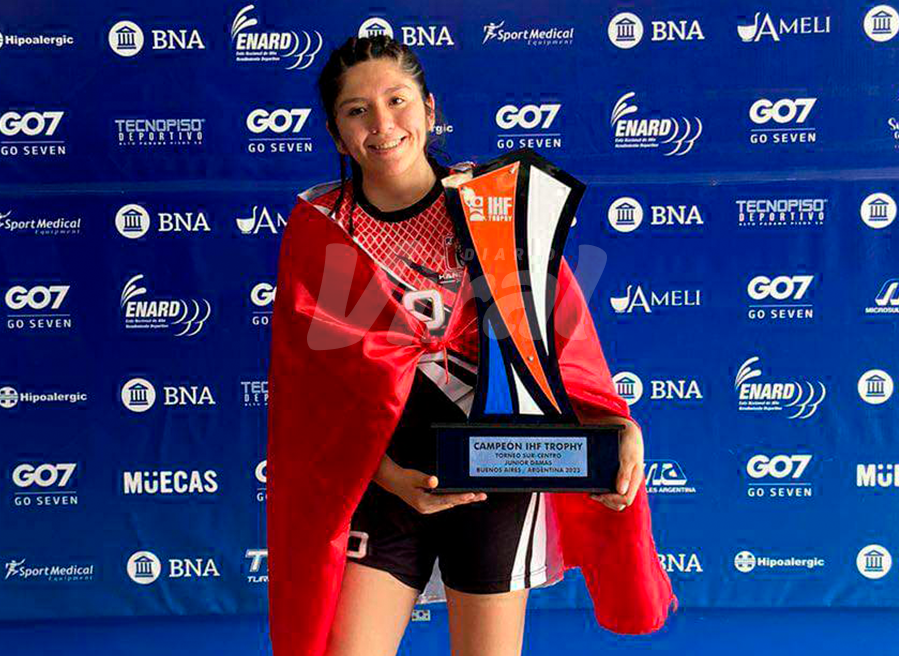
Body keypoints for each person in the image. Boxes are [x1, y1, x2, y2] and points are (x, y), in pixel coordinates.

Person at [266, 35, 674, 656]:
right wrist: (389, 477)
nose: (382, 124)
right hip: (382, 482)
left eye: (397, 100)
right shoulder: (321, 228)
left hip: (501, 476)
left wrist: (617, 428)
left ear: (429, 109)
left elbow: (564, 348)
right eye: (357, 110)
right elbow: (310, 400)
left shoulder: (495, 206)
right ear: (337, 134)